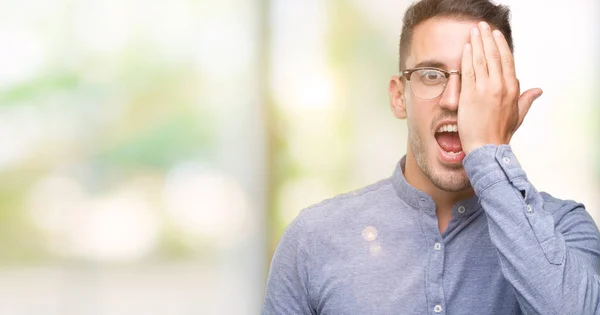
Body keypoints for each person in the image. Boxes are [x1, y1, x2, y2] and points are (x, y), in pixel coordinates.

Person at [262, 0, 600, 314]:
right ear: (399, 97)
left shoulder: (564, 228)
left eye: (476, 77)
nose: (453, 99)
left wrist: (488, 152)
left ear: (504, 98)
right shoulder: (312, 239)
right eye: (431, 75)